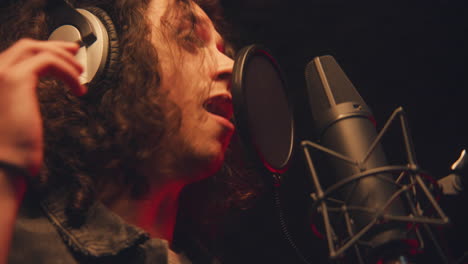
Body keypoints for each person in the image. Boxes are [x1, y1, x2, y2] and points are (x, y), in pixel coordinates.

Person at [0, 0, 259, 263]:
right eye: (189, 37)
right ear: (92, 55)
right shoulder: (17, 238)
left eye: (222, 50)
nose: (231, 66)